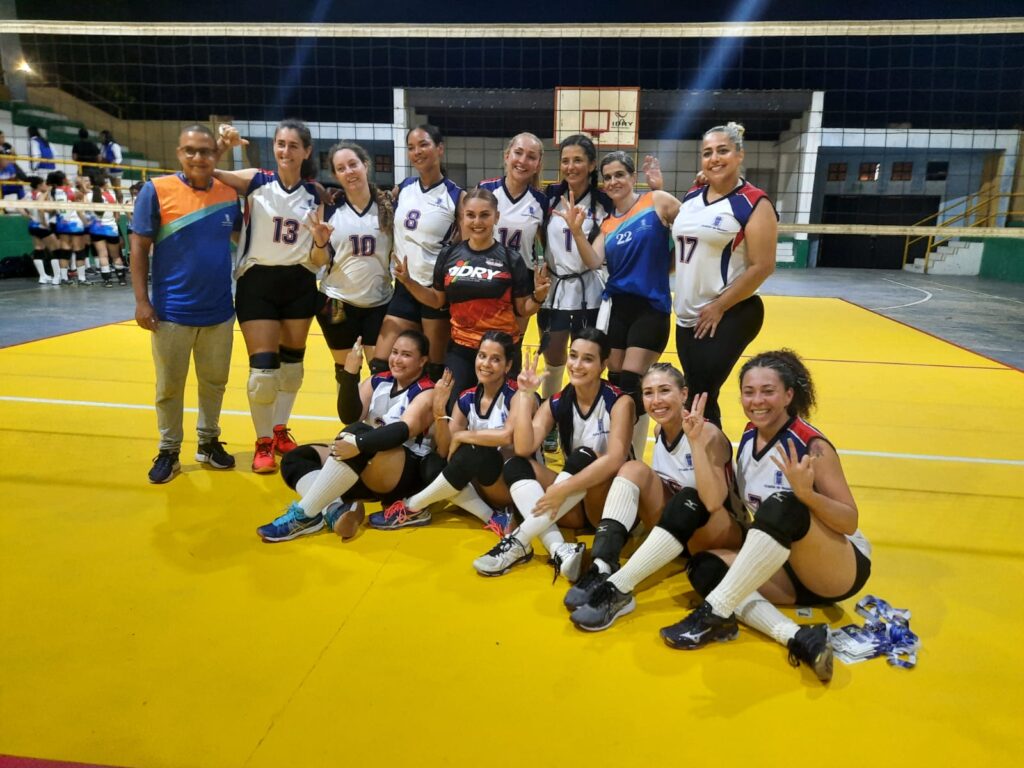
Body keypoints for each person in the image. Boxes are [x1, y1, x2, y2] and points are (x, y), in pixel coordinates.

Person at [658, 350, 872, 684]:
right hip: (781, 568)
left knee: (784, 503)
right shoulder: (747, 435)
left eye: (768, 391)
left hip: (836, 567)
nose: (757, 400)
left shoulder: (811, 445)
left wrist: (808, 496)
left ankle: (713, 613)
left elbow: (849, 521)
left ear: (789, 395)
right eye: (749, 391)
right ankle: (798, 637)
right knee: (705, 567)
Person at [565, 364, 742, 630]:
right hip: (675, 533)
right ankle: (603, 565)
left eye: (664, 391)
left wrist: (694, 443)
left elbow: (714, 502)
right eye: (648, 393)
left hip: (718, 534)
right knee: (633, 468)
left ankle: (620, 588)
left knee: (688, 498)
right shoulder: (660, 432)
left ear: (684, 394)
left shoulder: (707, 434)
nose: (656, 401)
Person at [472, 329, 634, 583]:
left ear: (604, 365)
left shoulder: (619, 402)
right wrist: (525, 396)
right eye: (573, 356)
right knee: (516, 465)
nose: (577, 365)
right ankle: (560, 551)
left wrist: (564, 487)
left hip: (606, 505)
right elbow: (525, 447)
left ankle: (518, 542)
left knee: (584, 454)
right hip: (571, 504)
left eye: (588, 359)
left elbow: (615, 459)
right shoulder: (558, 401)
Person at [130, 124, 241, 484]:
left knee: (214, 382)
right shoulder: (156, 191)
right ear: (179, 153)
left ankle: (208, 442)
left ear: (215, 155)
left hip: (219, 311)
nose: (198, 157)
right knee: (169, 386)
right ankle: (169, 450)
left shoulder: (227, 193)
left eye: (206, 151)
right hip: (171, 312)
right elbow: (139, 248)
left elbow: (242, 236)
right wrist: (141, 301)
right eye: (190, 150)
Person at [256, 330, 437, 542]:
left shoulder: (427, 392)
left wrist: (360, 443)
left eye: (406, 355)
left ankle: (305, 515)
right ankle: (333, 510)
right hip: (367, 463)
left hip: (403, 475)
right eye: (395, 352)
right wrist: (350, 373)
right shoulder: (378, 381)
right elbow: (349, 415)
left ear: (422, 361)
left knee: (357, 433)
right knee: (296, 458)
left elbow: (403, 430)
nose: (397, 359)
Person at [556, 150, 679, 459]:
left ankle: (631, 456)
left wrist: (672, 264)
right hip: (615, 308)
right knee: (615, 380)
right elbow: (594, 260)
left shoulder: (657, 200)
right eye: (608, 177)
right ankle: (617, 449)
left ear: (632, 176)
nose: (613, 182)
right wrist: (575, 231)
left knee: (632, 381)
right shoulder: (608, 224)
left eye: (619, 175)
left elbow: (690, 229)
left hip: (650, 306)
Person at [216, 120, 321, 474]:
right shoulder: (256, 181)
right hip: (257, 282)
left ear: (306, 151)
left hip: (300, 282)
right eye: (280, 144)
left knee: (292, 370)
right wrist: (223, 146)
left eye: (293, 145)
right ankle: (262, 439)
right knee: (263, 372)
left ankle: (279, 430)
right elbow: (206, 173)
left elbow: (322, 251)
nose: (285, 151)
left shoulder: (317, 195)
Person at [394, 186, 550, 400]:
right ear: (462, 218)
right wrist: (408, 282)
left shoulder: (511, 258)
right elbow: (437, 300)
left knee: (503, 415)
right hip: (461, 349)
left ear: (496, 217)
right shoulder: (449, 254)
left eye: (484, 215)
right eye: (471, 215)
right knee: (452, 411)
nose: (477, 222)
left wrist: (539, 295)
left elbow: (523, 309)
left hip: (501, 349)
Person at [671, 122, 777, 427]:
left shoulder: (754, 202)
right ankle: (711, 468)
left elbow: (763, 265)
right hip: (687, 315)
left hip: (730, 311)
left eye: (722, 151)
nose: (714, 158)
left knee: (700, 396)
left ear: (740, 154)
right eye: (707, 153)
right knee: (699, 395)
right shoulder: (693, 194)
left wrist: (720, 305)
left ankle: (712, 469)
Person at [372, 331, 521, 533]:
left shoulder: (518, 395)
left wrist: (463, 435)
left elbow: (507, 436)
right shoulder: (466, 398)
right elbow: (445, 451)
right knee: (432, 462)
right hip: (476, 483)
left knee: (475, 449)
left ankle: (411, 507)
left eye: (495, 359)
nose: (486, 364)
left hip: (507, 483)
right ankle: (494, 517)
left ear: (508, 365)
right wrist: (439, 411)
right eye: (482, 356)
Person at [538, 135, 613, 452]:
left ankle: (586, 420)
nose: (570, 166)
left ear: (592, 164)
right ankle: (551, 420)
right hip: (555, 291)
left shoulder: (604, 202)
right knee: (554, 361)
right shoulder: (549, 197)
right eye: (565, 160)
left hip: (591, 291)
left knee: (587, 360)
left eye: (578, 160)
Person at [371, 125, 464, 382]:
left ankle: (430, 421)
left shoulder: (456, 196)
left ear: (440, 149)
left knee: (434, 369)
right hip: (404, 287)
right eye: (411, 147)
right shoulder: (403, 188)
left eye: (423, 144)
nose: (417, 152)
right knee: (381, 364)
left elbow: (466, 246)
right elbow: (377, 213)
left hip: (435, 291)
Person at [305, 140, 394, 374]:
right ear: (335, 175)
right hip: (336, 302)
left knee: (381, 373)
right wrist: (320, 241)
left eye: (353, 164)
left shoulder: (388, 207)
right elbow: (317, 261)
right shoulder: (329, 210)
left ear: (366, 165)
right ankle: (350, 412)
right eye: (341, 168)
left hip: (379, 303)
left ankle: (375, 413)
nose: (349, 172)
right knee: (346, 373)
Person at [48, 171, 88, 285]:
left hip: (61, 223)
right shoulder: (68, 190)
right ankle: (81, 278)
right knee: (79, 250)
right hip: (74, 223)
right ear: (63, 179)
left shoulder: (53, 192)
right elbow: (83, 194)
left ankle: (64, 278)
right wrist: (81, 183)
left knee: (65, 251)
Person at [88, 174, 128, 286]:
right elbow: (117, 216)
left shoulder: (89, 195)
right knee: (115, 256)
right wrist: (113, 221)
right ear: (104, 184)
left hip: (96, 228)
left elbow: (86, 213)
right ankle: (121, 279)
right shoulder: (110, 195)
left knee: (102, 254)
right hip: (111, 228)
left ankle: (107, 280)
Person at [25, 176, 61, 285]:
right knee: (55, 249)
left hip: (32, 226)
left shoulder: (28, 195)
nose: (47, 185)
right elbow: (41, 209)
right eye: (45, 183)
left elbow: (19, 206)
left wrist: (28, 216)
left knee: (38, 249)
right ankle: (57, 277)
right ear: (39, 185)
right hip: (42, 226)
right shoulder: (42, 195)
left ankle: (43, 276)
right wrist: (44, 222)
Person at [99, 130, 124, 198]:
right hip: (106, 169)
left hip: (115, 170)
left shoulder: (114, 146)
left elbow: (119, 159)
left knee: (117, 189)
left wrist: (113, 164)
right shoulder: (103, 147)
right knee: (101, 183)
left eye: (102, 137)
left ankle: (121, 204)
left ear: (107, 137)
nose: (101, 138)